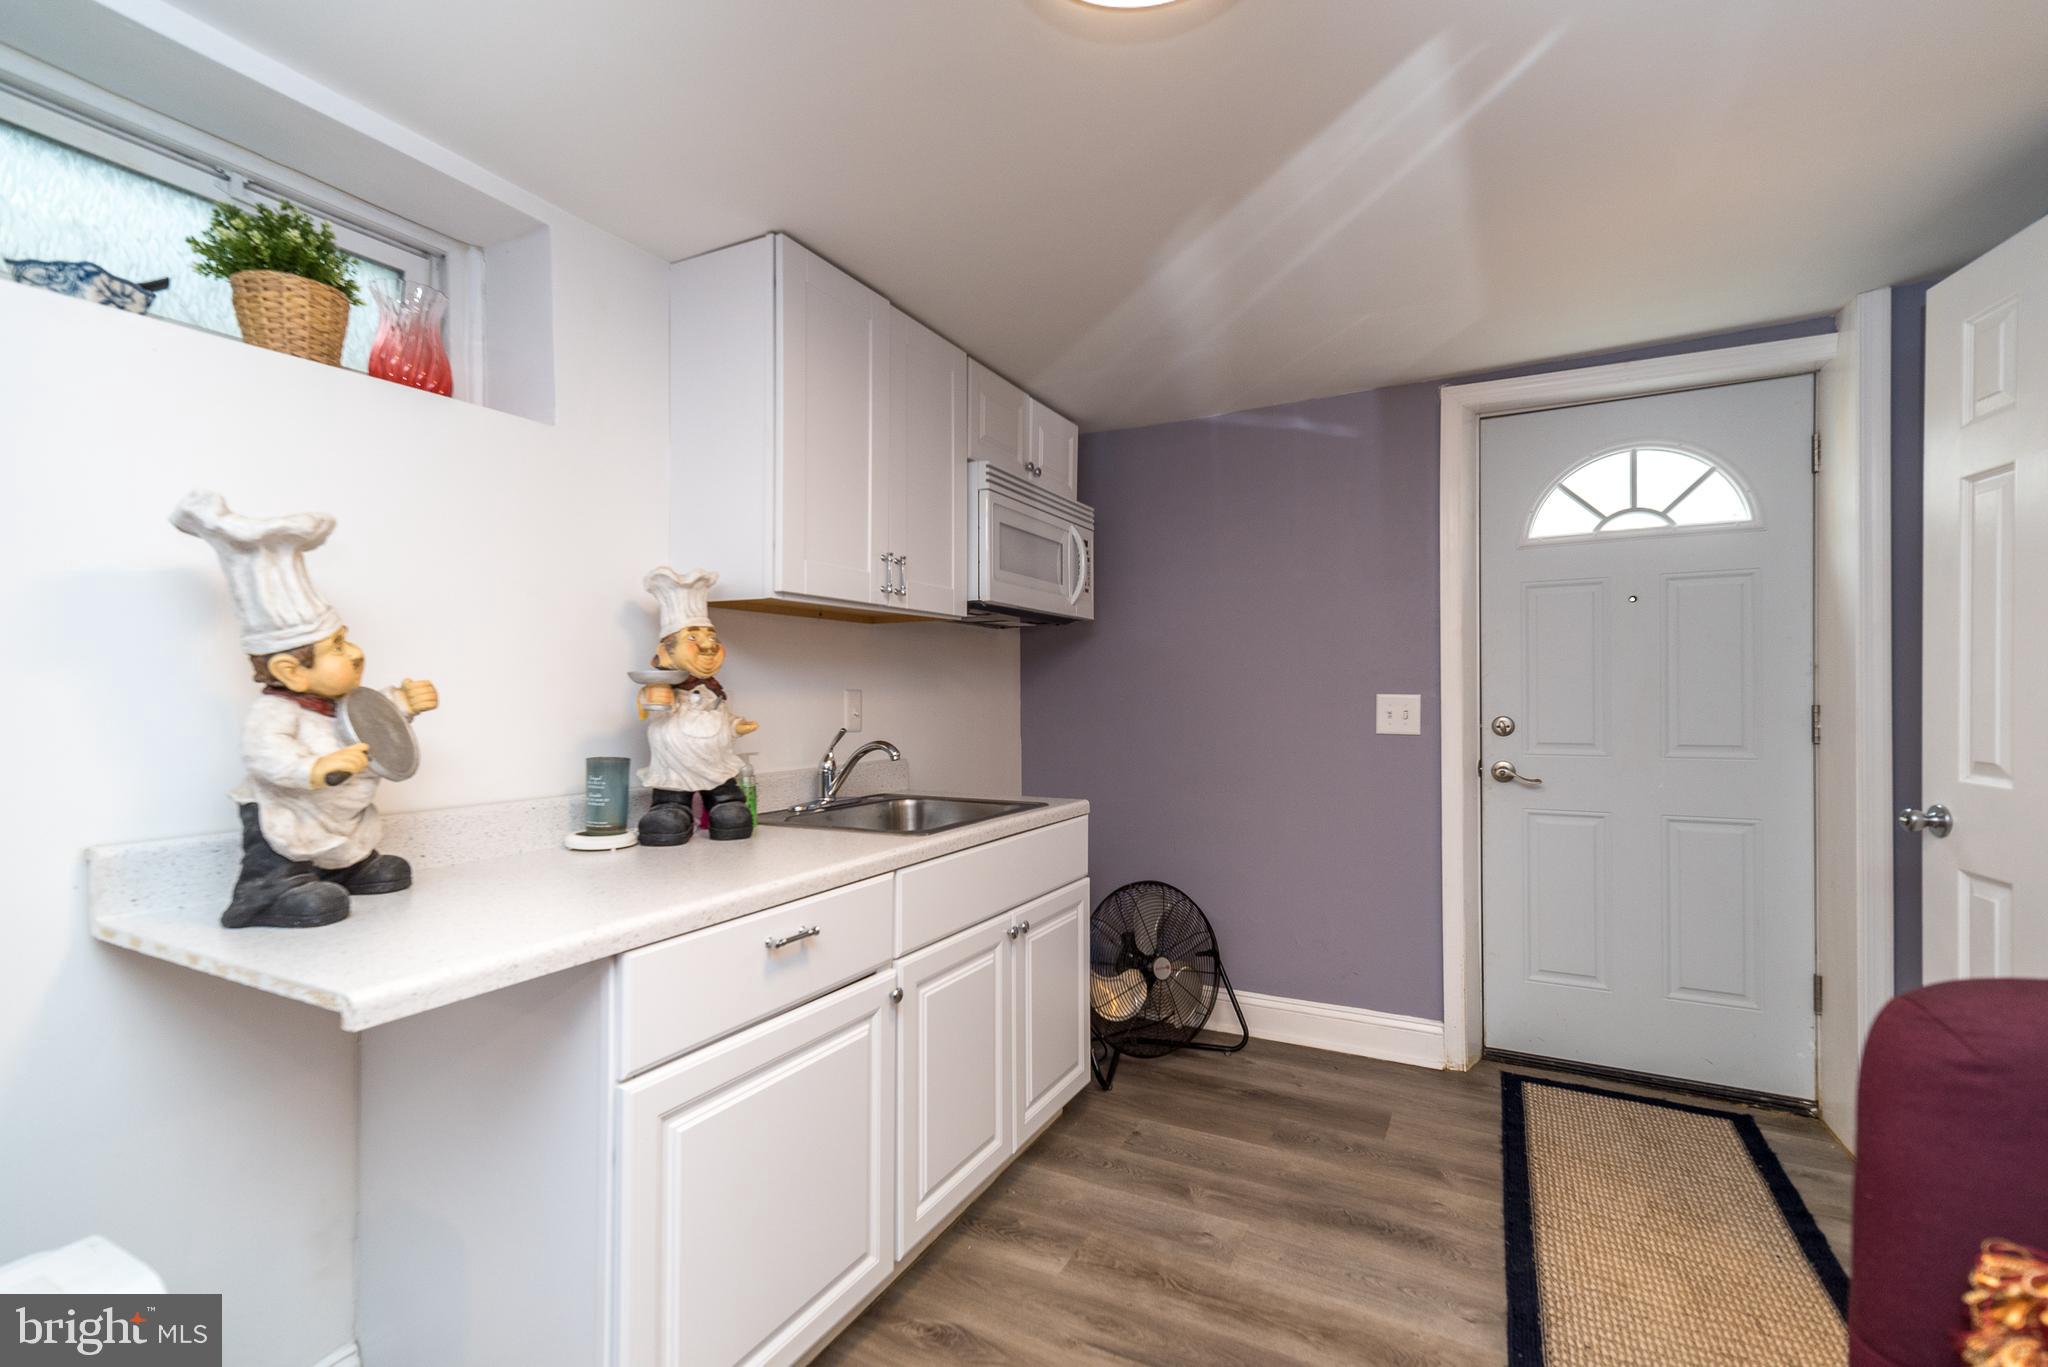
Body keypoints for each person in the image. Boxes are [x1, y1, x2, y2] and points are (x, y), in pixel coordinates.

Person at [172, 491, 438, 927]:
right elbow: (264, 755)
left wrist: (403, 706)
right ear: (291, 672)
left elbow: (370, 721)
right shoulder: (276, 713)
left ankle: (345, 868)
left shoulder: (342, 701)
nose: (355, 653)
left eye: (346, 639)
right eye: (337, 648)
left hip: (337, 811)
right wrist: (314, 769)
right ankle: (266, 894)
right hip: (289, 807)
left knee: (344, 837)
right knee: (280, 843)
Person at [635, 567, 758, 845]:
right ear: (665, 653)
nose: (708, 646)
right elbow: (651, 708)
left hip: (718, 766)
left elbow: (722, 717)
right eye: (693, 638)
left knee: (732, 812)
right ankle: (670, 806)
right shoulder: (662, 691)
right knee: (668, 811)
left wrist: (737, 726)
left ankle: (725, 804)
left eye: (712, 638)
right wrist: (654, 694)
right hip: (673, 770)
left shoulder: (713, 692)